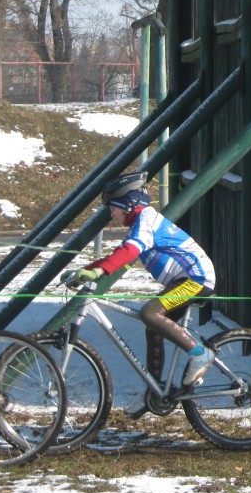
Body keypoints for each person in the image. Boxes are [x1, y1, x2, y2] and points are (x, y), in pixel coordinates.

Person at [66, 171, 217, 420]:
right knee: (153, 327)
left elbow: (129, 251)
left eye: (112, 208)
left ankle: (201, 354)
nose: (112, 215)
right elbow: (121, 254)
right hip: (183, 280)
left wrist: (99, 271)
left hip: (196, 278)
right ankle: (155, 391)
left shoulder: (146, 220)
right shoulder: (139, 225)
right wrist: (87, 271)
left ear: (128, 203)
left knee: (150, 313)